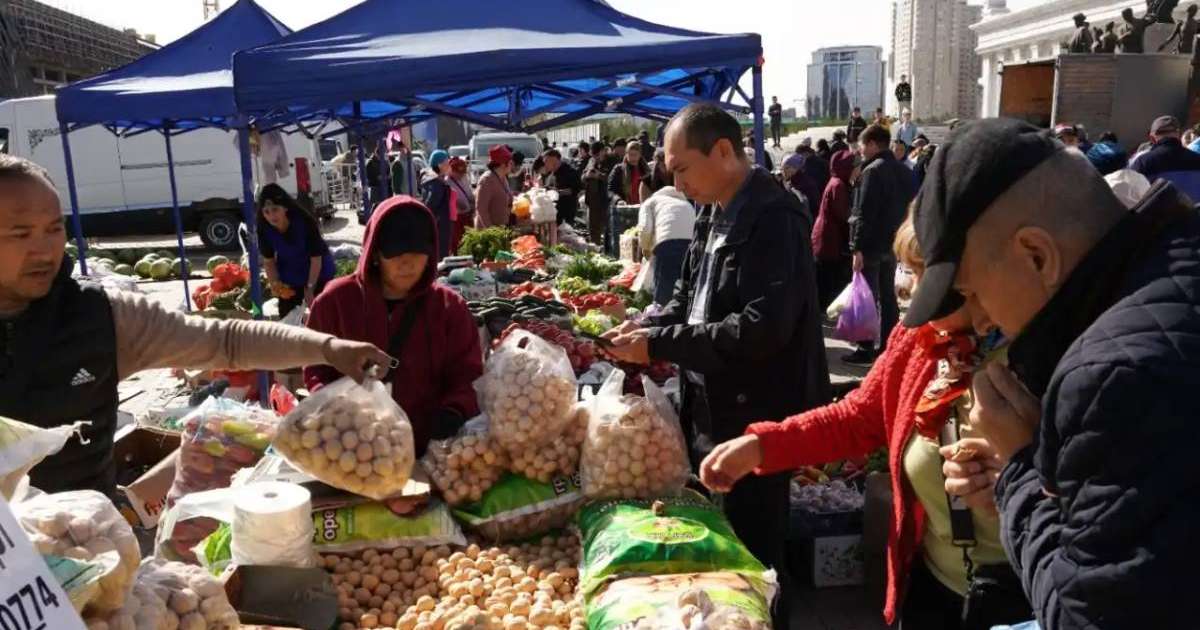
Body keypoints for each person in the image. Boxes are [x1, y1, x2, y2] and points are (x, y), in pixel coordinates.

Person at [907, 117, 1200, 630]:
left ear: (1037, 255)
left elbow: (1084, 616)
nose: (981, 319)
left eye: (975, 292)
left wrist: (1018, 465)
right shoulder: (1175, 257)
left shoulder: (1112, 374)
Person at [700, 218, 1030, 629]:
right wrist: (762, 446)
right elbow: (858, 417)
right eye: (911, 272)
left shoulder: (1047, 360)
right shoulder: (920, 340)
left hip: (1025, 598)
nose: (912, 290)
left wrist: (1018, 484)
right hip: (930, 585)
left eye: (929, 275)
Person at [0, 155, 389, 495]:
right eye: (21, 233)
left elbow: (225, 341)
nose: (45, 249)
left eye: (54, 228)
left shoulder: (101, 316)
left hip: (88, 550)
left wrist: (326, 348)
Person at [603, 104, 831, 630]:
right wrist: (645, 325)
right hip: (708, 403)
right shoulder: (711, 210)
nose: (676, 183)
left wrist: (659, 344)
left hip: (756, 412)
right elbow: (685, 297)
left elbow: (760, 329)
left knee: (754, 556)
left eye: (682, 168)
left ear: (724, 152)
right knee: (720, 555)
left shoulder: (776, 217)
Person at [306, 196, 484, 457]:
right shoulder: (335, 302)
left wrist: (453, 412)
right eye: (396, 253)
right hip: (352, 449)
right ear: (376, 253)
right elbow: (315, 367)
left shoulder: (449, 308)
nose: (407, 263)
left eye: (417, 253)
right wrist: (331, 410)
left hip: (429, 451)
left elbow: (468, 374)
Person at [846, 124, 914, 365]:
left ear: (874, 144)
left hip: (872, 245)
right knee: (888, 298)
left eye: (863, 145)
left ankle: (865, 349)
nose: (860, 150)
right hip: (893, 244)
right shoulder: (904, 171)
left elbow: (864, 213)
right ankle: (889, 348)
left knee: (868, 298)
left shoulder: (872, 171)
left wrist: (857, 247)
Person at [257, 183, 336, 318]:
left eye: (275, 209)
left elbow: (316, 258)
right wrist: (276, 285)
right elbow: (268, 261)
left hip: (318, 272)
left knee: (320, 317)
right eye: (266, 212)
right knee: (288, 319)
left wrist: (310, 288)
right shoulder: (264, 229)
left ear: (285, 208)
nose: (271, 216)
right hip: (291, 274)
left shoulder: (305, 223)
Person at [637, 176, 696, 306]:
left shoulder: (651, 202)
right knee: (685, 290)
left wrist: (645, 248)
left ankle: (661, 320)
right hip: (691, 247)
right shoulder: (686, 204)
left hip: (666, 244)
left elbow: (645, 229)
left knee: (664, 292)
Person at [813, 149, 855, 310]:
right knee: (829, 276)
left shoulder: (837, 182)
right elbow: (843, 214)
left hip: (829, 237)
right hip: (830, 238)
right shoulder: (839, 185)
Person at [1129, 115, 1200, 199]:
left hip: (1155, 212)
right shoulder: (1197, 159)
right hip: (1193, 211)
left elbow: (1129, 194)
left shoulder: (1144, 162)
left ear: (1152, 138)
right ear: (1179, 135)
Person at [420, 150, 454, 261]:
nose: (449, 166)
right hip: (439, 227)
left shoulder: (431, 180)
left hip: (436, 225)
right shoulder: (437, 183)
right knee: (439, 258)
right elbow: (431, 204)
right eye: (447, 163)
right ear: (440, 165)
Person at [475, 145, 514, 229]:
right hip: (488, 233)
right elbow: (481, 209)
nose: (512, 165)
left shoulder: (503, 177)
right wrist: (491, 231)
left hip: (502, 228)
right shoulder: (487, 180)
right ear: (503, 164)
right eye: (510, 162)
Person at [541, 149, 582, 227]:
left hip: (566, 211)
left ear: (554, 159)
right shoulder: (552, 172)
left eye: (546, 161)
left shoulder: (570, 171)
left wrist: (558, 192)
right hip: (554, 211)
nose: (545, 164)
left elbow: (576, 189)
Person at [583, 141, 612, 247]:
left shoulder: (611, 160)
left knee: (608, 228)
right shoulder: (591, 161)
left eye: (597, 154)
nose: (596, 157)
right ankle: (596, 250)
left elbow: (611, 178)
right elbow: (583, 177)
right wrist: (587, 175)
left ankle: (609, 250)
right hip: (592, 201)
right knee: (593, 229)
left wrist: (599, 176)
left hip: (606, 199)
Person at [446, 157, 474, 254]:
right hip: (456, 218)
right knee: (457, 242)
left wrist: (472, 201)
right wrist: (457, 203)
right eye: (457, 172)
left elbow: (469, 192)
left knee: (469, 241)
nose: (460, 175)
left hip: (468, 215)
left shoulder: (464, 178)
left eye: (462, 172)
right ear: (451, 170)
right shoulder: (446, 182)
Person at [608, 140, 648, 205]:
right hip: (624, 207)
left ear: (640, 155)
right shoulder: (619, 170)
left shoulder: (646, 170)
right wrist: (617, 200)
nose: (633, 158)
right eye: (630, 155)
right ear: (626, 154)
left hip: (643, 206)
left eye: (635, 155)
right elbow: (609, 190)